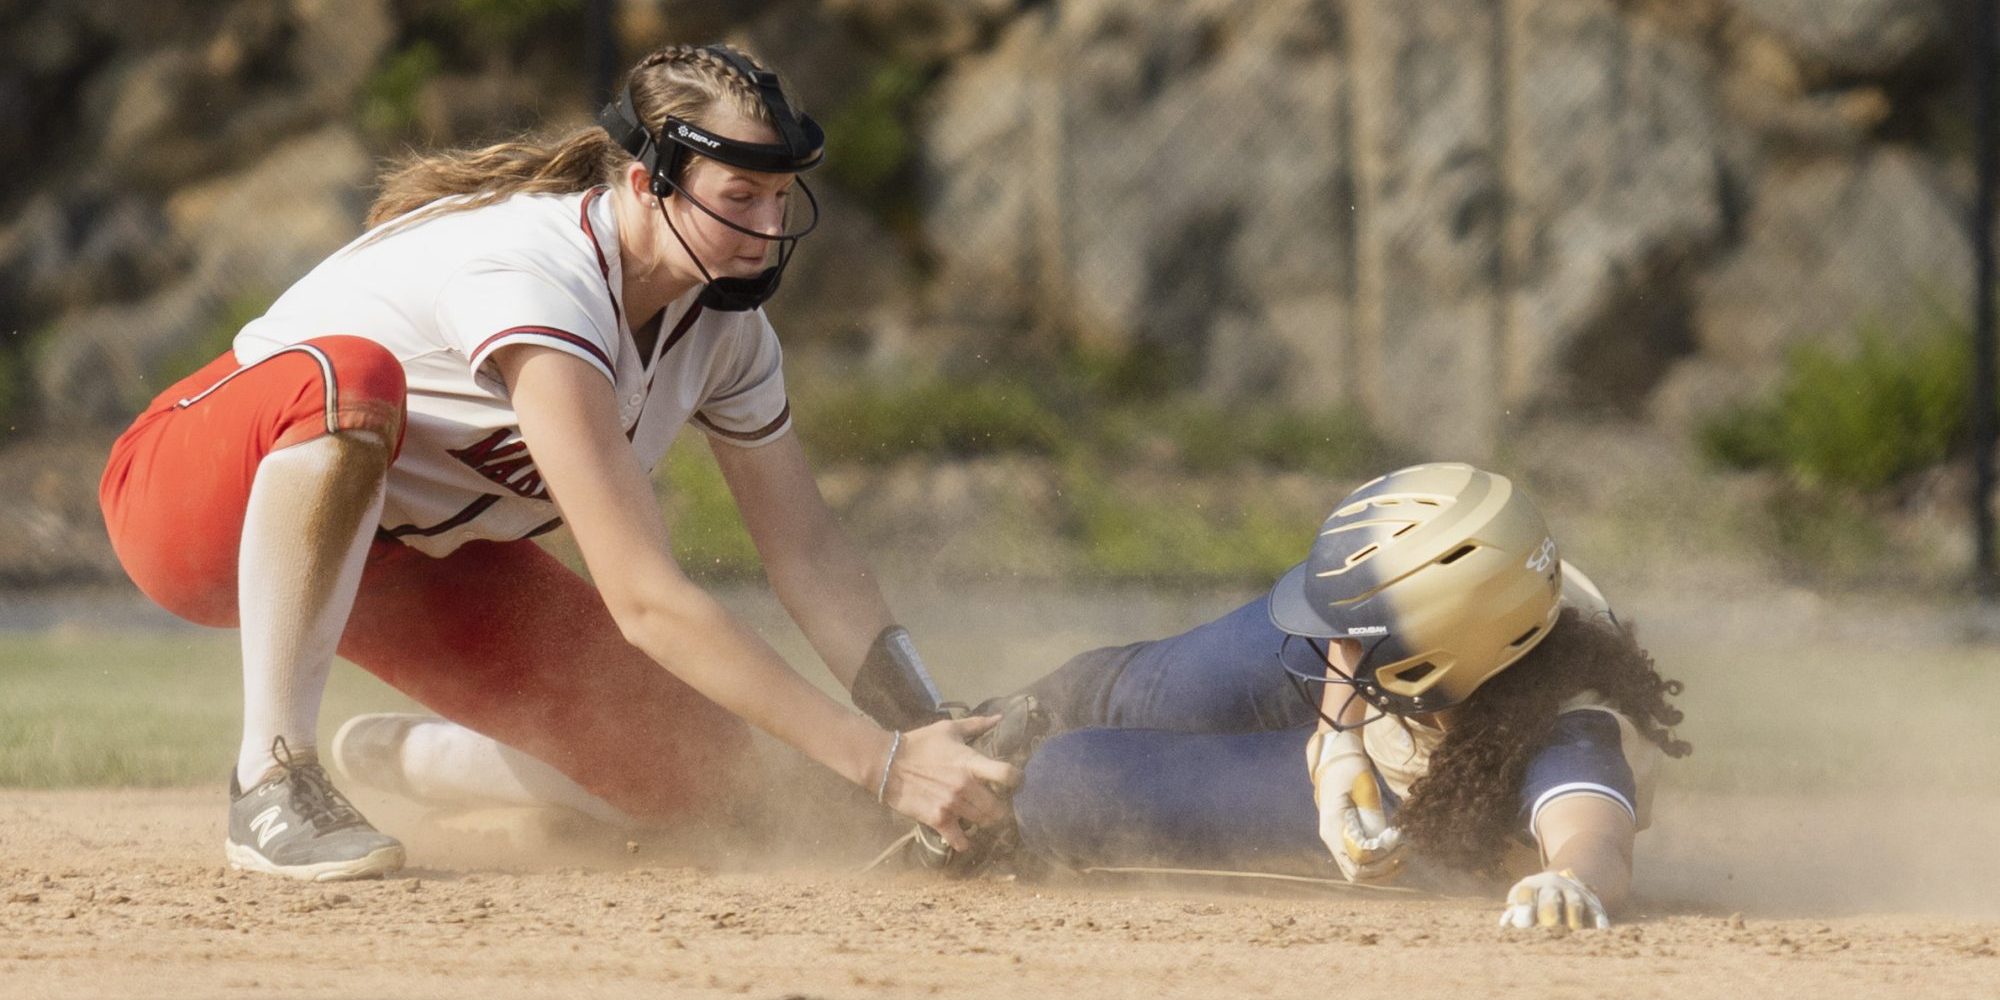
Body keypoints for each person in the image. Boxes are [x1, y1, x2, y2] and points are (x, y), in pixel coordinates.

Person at [97, 42, 1015, 882]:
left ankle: (427, 758)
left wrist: (923, 722)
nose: (766, 228)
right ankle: (272, 776)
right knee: (353, 381)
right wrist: (883, 766)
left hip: (401, 560)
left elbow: (809, 554)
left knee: (719, 776)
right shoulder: (540, 270)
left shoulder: (727, 332)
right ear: (648, 181)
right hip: (198, 498)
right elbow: (646, 598)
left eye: (780, 199)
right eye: (739, 197)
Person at [993, 462, 1691, 930]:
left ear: (1436, 659)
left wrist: (1570, 882)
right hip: (1401, 693)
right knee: (1135, 689)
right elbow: (1350, 631)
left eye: (1358, 637)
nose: (1333, 649)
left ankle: (976, 810)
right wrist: (1338, 749)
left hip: (1422, 794)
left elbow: (1592, 835)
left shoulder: (1572, 731)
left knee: (1064, 785)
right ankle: (968, 731)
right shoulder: (1474, 607)